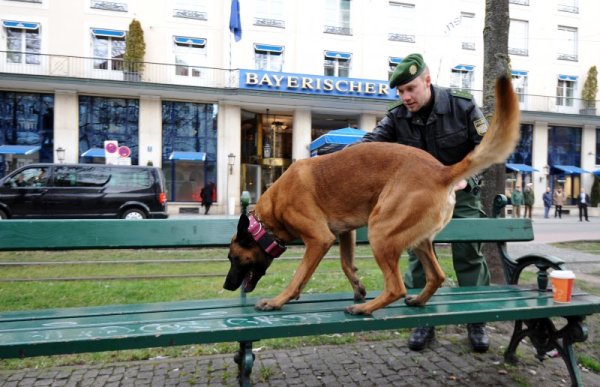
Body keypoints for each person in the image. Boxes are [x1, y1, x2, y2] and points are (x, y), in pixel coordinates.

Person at [357, 53, 490, 353]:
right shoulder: (396, 116)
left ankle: (476, 320)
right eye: (400, 91)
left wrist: (467, 177)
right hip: (418, 200)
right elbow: (369, 147)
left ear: (427, 81)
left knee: (469, 254)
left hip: (462, 192)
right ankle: (423, 319)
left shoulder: (462, 105)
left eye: (411, 89)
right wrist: (339, 164)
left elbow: (485, 145)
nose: (405, 97)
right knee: (417, 257)